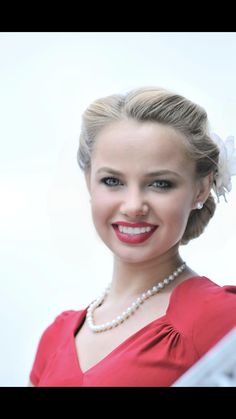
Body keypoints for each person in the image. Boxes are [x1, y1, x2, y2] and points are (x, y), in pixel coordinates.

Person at [29, 86, 236, 387]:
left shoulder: (221, 318)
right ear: (89, 182)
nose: (133, 206)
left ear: (201, 189)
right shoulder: (55, 337)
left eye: (161, 184)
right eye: (112, 181)